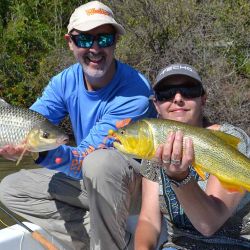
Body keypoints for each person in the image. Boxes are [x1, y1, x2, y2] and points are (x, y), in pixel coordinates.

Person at [0, 1, 156, 250]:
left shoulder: (135, 92)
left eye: (104, 38)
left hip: (135, 189)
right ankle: (109, 242)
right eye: (84, 39)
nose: (94, 48)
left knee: (100, 162)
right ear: (70, 42)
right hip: (89, 180)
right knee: (11, 188)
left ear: (116, 41)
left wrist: (40, 150)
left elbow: (85, 159)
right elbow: (29, 121)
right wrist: (19, 145)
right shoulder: (63, 82)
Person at [134, 63, 250, 250]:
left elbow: (208, 224)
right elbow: (149, 220)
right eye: (166, 93)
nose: (178, 98)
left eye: (189, 90)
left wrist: (180, 178)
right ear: (156, 104)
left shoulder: (231, 139)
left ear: (203, 99)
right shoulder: (153, 148)